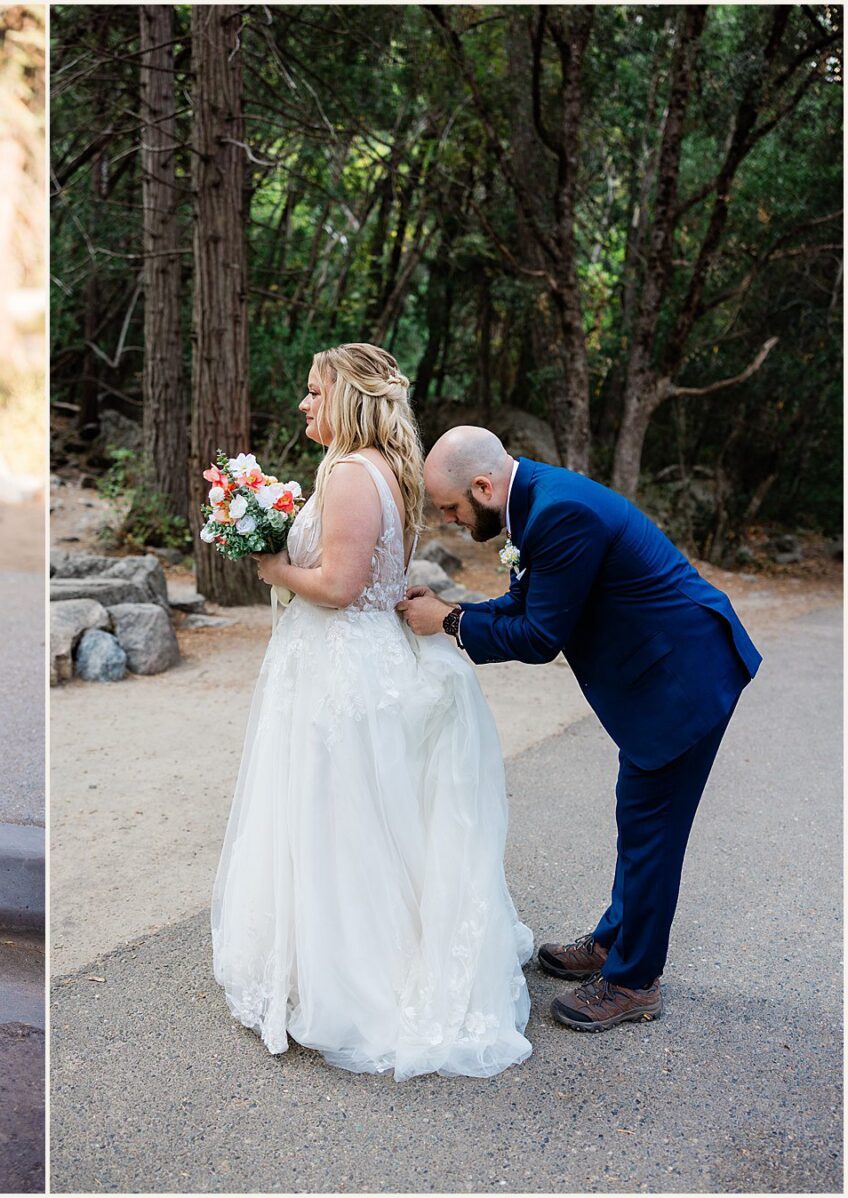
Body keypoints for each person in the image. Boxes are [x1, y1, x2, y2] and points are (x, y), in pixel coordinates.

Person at [212, 344, 534, 1080]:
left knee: (339, 820)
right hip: (351, 658)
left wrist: (270, 566)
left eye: (315, 391)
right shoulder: (381, 470)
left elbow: (337, 583)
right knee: (354, 816)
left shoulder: (355, 474)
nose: (304, 404)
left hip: (341, 667)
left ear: (349, 400)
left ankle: (351, 975)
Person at [398, 426, 760, 1032]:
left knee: (652, 833)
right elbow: (526, 606)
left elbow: (541, 637)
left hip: (683, 679)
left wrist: (452, 621)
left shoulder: (558, 511)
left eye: (452, 508)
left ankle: (634, 980)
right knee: (638, 820)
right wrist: (450, 612)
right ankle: (615, 941)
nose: (452, 520)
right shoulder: (533, 498)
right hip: (660, 672)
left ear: (483, 486)